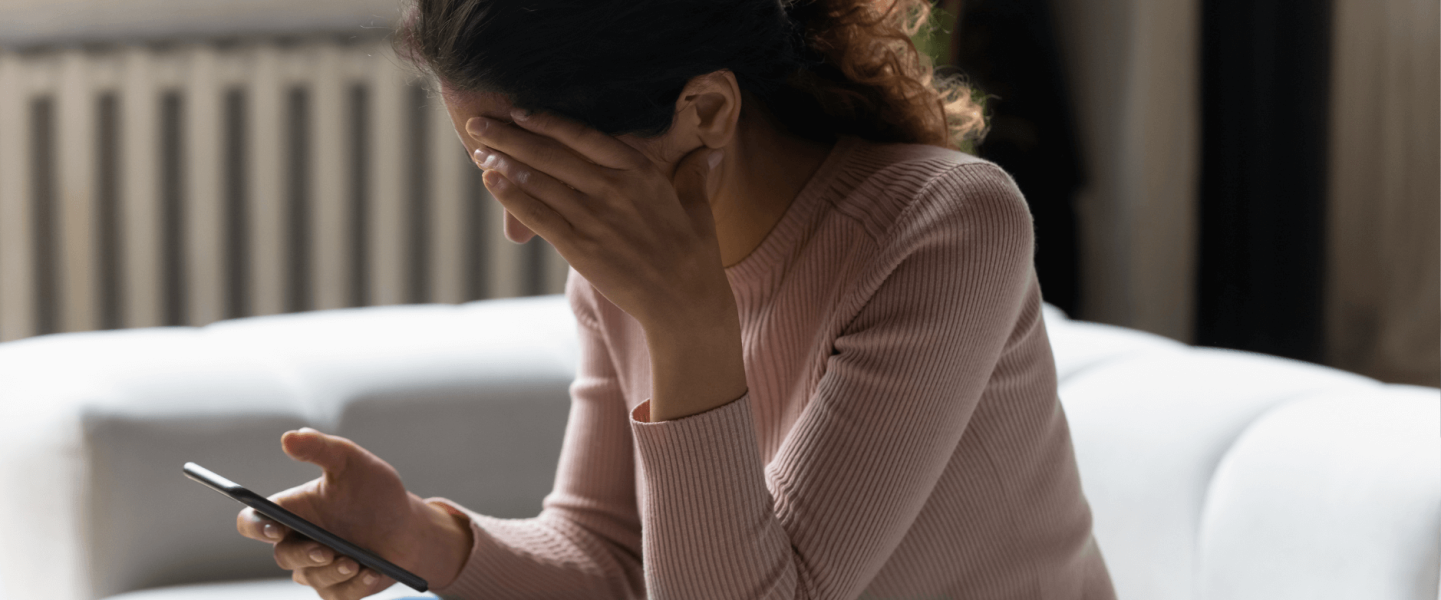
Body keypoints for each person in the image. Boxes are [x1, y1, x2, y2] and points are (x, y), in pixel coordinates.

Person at [235, 0, 1118, 598]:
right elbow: (613, 557)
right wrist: (421, 541)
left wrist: (689, 323)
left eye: (540, 173)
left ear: (703, 111)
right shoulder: (618, 269)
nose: (522, 225)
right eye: (491, 170)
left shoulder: (942, 224)